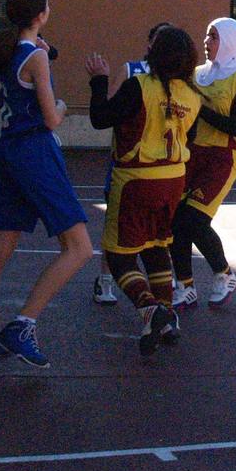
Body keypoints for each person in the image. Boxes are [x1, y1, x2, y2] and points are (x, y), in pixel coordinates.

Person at [0, 0, 93, 367]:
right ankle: (23, 323)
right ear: (41, 15)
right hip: (35, 152)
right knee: (80, 248)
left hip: (10, 150)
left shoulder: (10, 53)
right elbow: (51, 119)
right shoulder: (35, 58)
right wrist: (64, 104)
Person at [87, 25, 201, 356]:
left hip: (137, 177)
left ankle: (150, 307)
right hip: (173, 178)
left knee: (120, 256)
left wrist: (98, 81)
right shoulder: (193, 95)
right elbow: (188, 139)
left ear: (154, 53)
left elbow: (100, 118)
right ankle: (166, 320)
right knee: (156, 247)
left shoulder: (140, 86)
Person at [170, 17, 236, 309]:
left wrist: (200, 109)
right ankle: (184, 284)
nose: (207, 42)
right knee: (175, 220)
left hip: (222, 156)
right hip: (192, 154)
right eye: (207, 36)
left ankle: (224, 274)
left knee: (194, 220)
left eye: (214, 37)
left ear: (231, 42)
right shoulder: (196, 75)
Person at [92, 22, 171, 306]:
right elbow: (109, 109)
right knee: (115, 224)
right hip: (128, 163)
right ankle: (105, 280)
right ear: (150, 44)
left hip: (161, 167)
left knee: (159, 231)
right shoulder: (132, 70)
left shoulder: (177, 78)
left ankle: (160, 292)